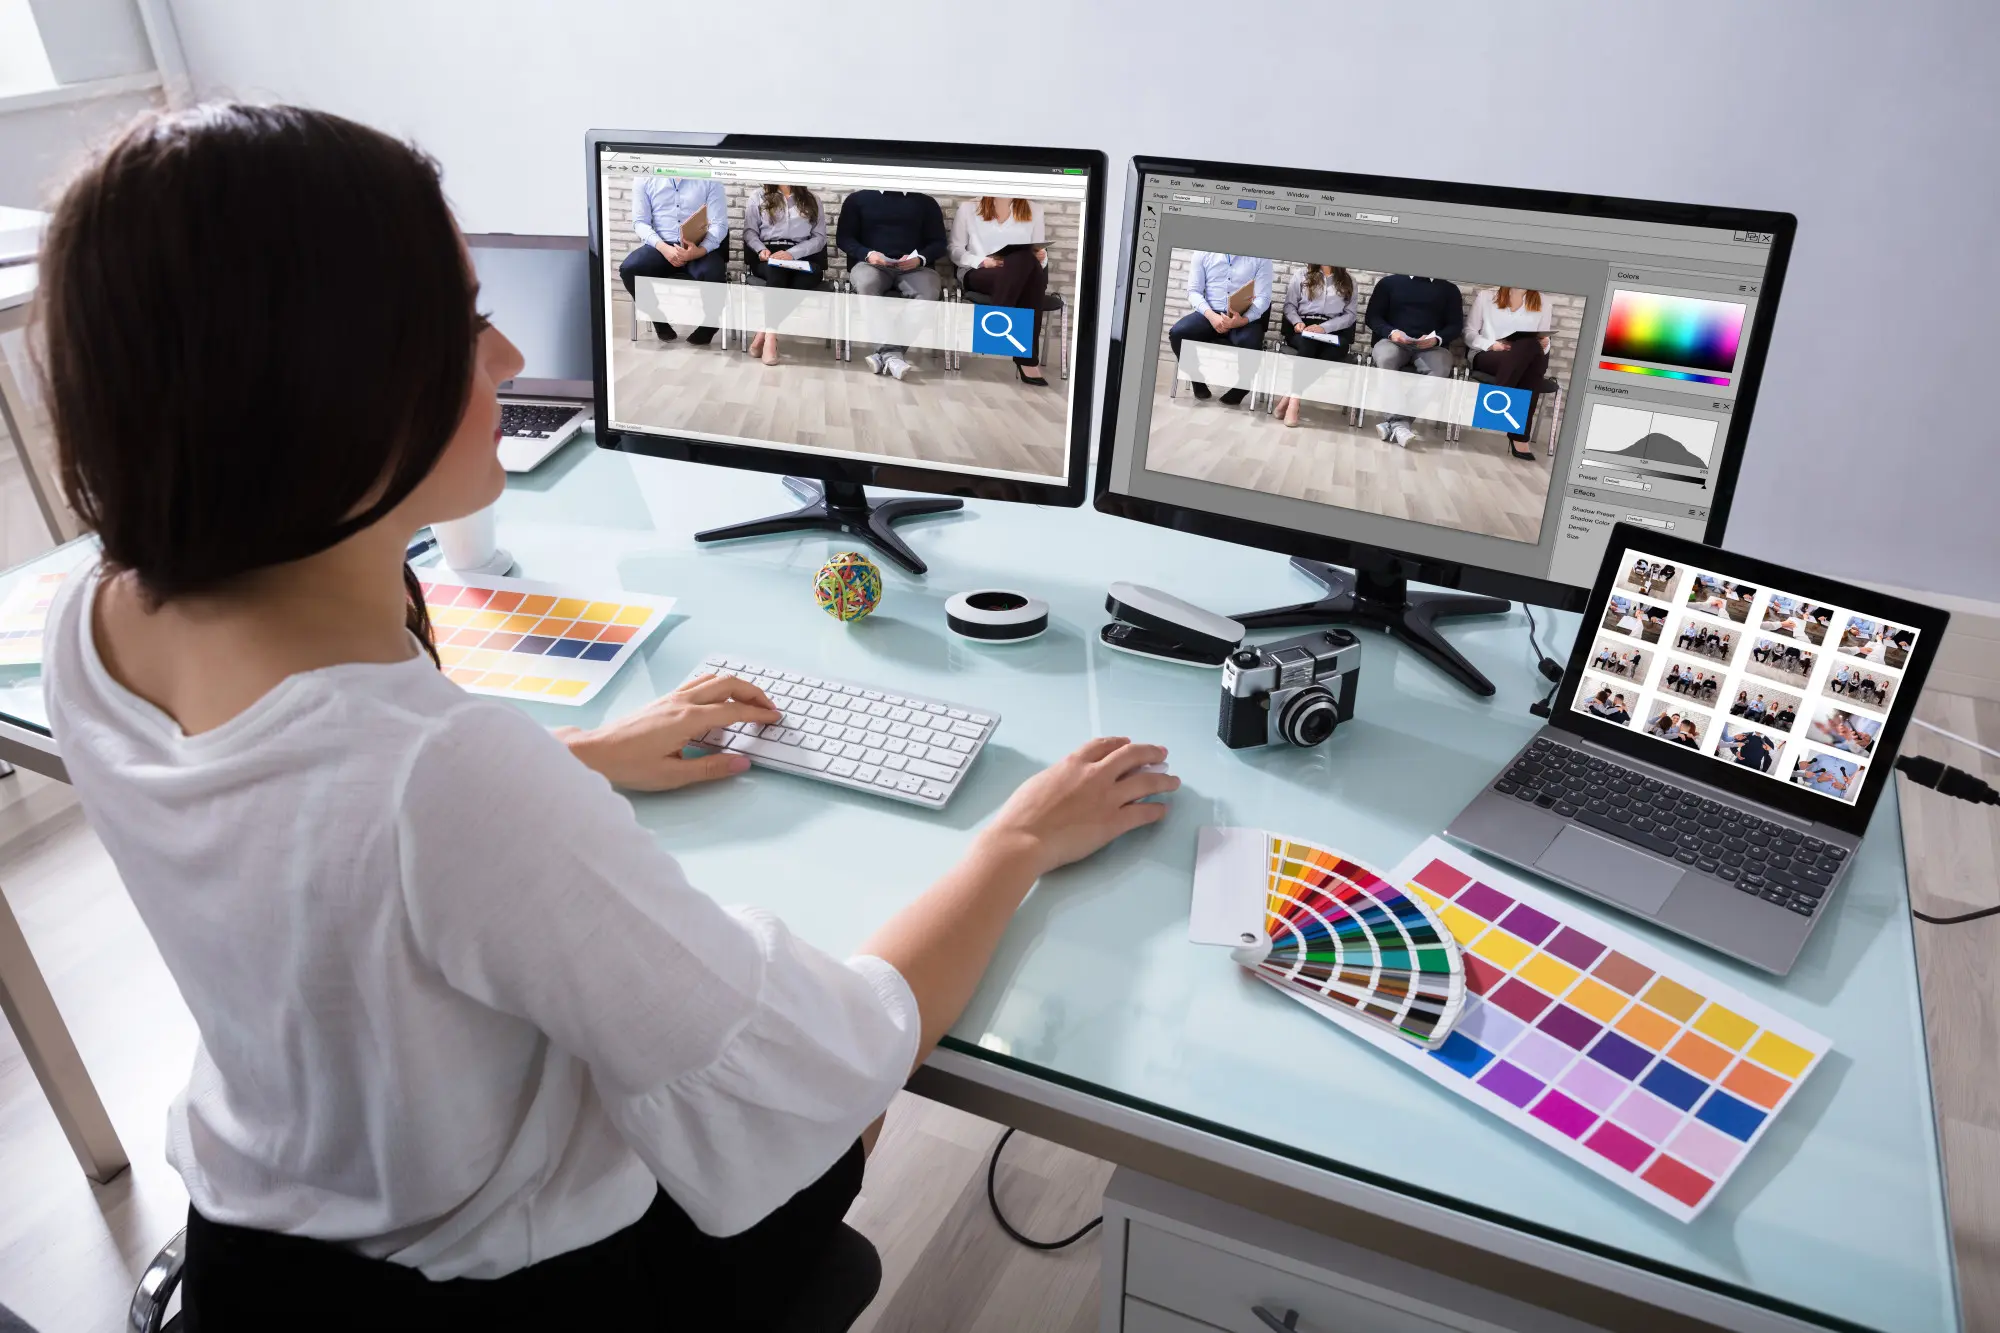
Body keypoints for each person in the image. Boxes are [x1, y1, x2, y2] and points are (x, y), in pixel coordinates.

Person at [32, 105, 1180, 1326]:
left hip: (256, 1246)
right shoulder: (443, 779)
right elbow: (811, 1062)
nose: (513, 363)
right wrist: (1016, 842)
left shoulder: (95, 618)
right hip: (495, 1286)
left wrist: (578, 753)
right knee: (838, 1080)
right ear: (332, 386)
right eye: (467, 326)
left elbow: (317, 827)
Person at [835, 188, 948, 381]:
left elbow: (939, 243)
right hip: (871, 264)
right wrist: (869, 254)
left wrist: (919, 259)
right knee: (867, 284)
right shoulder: (858, 199)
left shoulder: (926, 202)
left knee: (929, 292)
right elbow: (844, 238)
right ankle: (892, 356)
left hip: (914, 267)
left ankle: (886, 355)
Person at [948, 196, 1052, 387]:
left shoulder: (1034, 209)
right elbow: (954, 250)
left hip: (1022, 273)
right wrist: (981, 261)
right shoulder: (969, 208)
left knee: (1025, 259)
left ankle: (996, 322)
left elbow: (1038, 254)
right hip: (980, 271)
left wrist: (1042, 256)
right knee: (1027, 268)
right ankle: (1027, 360)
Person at [619, 168, 728, 346]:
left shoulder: (710, 179)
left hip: (697, 246)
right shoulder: (644, 178)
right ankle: (657, 317)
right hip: (661, 246)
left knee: (714, 273)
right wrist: (663, 248)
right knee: (629, 268)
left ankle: (710, 324)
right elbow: (640, 222)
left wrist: (698, 251)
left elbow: (720, 224)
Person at [1365, 273, 1462, 447]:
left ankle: (1394, 423)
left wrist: (1436, 339)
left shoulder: (1450, 290)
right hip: (1393, 341)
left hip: (1432, 346)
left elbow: (1455, 325)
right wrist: (1392, 332)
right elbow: (1372, 317)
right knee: (1386, 358)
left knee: (1441, 368)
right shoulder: (1389, 283)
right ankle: (1400, 424)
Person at [1169, 251, 1275, 405]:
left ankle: (1243, 386)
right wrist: (1212, 317)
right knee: (1178, 333)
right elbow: (1194, 292)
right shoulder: (1202, 252)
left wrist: (1242, 320)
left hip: (1243, 316)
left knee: (1251, 343)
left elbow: (1264, 297)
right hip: (1210, 314)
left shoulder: (1261, 257)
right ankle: (1196, 378)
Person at [741, 183, 828, 367]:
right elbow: (750, 232)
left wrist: (792, 254)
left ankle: (764, 331)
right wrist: (760, 250)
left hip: (799, 254)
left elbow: (819, 238)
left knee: (811, 275)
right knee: (777, 271)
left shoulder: (813, 199)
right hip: (768, 255)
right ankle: (771, 340)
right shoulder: (758, 196)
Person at [1463, 286, 1553, 460]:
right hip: (1489, 354)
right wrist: (1492, 345)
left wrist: (1545, 343)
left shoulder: (1544, 302)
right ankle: (1520, 438)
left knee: (1529, 347)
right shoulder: (1487, 296)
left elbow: (1544, 340)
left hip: (1527, 359)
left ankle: (1497, 401)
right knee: (1530, 364)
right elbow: (1469, 333)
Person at [1271, 264, 1358, 426]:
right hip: (1304, 326)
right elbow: (1289, 306)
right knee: (1308, 345)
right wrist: (1297, 322)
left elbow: (1350, 315)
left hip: (1331, 328)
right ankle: (1294, 404)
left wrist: (1324, 328)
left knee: (1338, 349)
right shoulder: (1301, 275)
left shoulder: (1349, 281)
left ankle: (1289, 397)